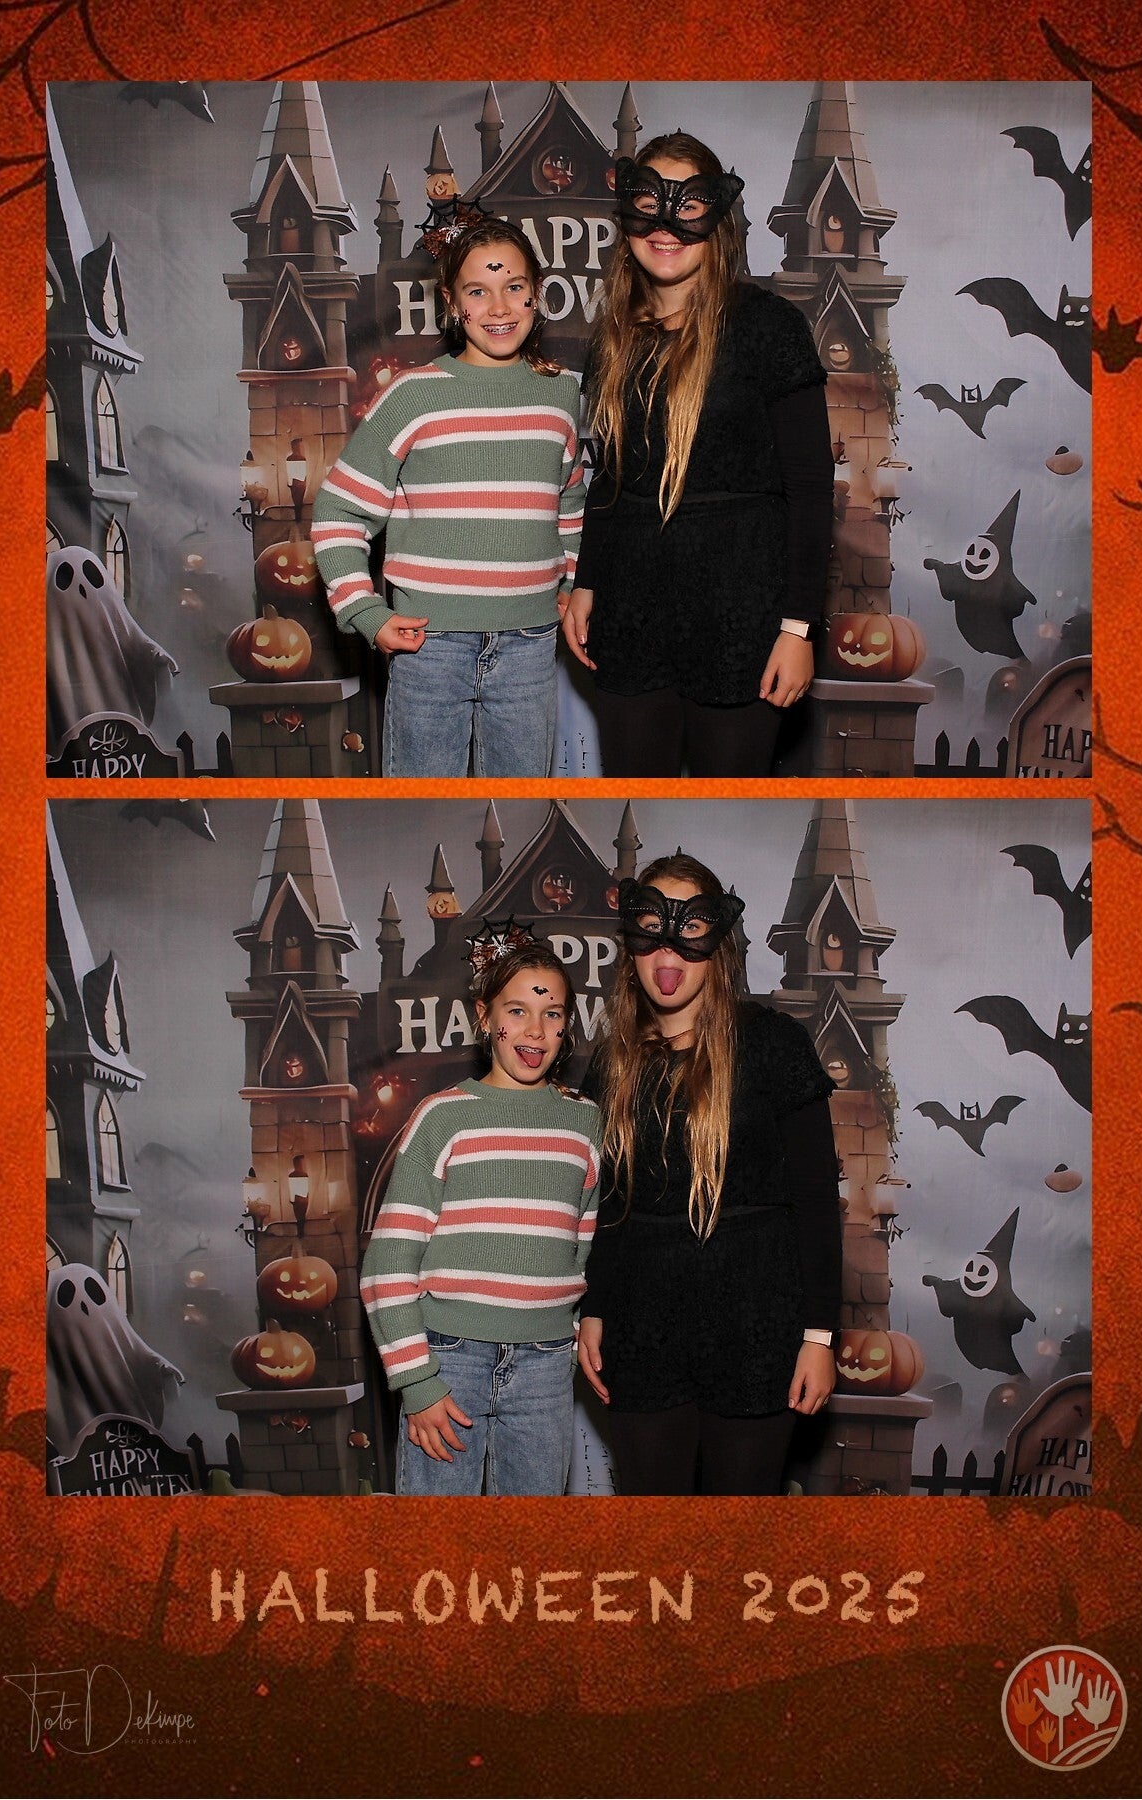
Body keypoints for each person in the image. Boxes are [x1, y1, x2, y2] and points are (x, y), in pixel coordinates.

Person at [562, 134, 834, 777]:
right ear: (627, 215)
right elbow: (610, 478)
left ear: (717, 220)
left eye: (686, 207)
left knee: (728, 800)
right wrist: (587, 582)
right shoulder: (612, 340)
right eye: (649, 203)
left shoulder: (769, 327)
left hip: (741, 615)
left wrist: (797, 629)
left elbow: (810, 490)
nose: (666, 226)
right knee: (635, 800)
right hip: (631, 611)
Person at [577, 854, 842, 1496]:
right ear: (631, 946)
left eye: (689, 931)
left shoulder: (774, 1044)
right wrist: (595, 1309)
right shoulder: (611, 1065)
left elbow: (815, 1202)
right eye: (651, 930)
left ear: (716, 944)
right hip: (644, 1326)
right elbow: (608, 1204)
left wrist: (819, 1336)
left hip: (757, 1325)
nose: (667, 952)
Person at [313, 219, 585, 777]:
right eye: (477, 291)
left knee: (522, 807)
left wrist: (568, 585)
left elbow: (569, 503)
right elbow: (339, 510)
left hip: (530, 644)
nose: (498, 307)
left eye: (513, 286)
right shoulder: (412, 396)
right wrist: (363, 610)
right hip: (428, 643)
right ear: (451, 302)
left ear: (537, 293)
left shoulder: (562, 393)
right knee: (424, 802)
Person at [360, 946, 601, 1496]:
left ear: (567, 1025)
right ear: (484, 1016)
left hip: (545, 1368)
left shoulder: (585, 1123)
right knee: (439, 1540)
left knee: (530, 1541)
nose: (535, 1029)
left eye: (552, 1013)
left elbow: (582, 1249)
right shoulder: (442, 1117)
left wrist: (568, 1338)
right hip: (448, 1360)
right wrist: (417, 1380)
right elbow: (388, 1261)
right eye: (517, 1010)